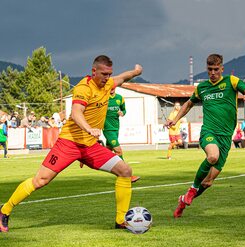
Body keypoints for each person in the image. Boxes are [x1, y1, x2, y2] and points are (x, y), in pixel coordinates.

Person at [0, 55, 143, 232]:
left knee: (125, 171)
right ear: (94, 71)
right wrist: (89, 128)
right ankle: (4, 210)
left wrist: (136, 72)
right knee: (41, 180)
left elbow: (123, 77)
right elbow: (76, 113)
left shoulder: (108, 84)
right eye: (104, 73)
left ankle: (121, 220)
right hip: (69, 143)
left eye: (109, 74)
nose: (107, 77)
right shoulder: (84, 88)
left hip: (90, 147)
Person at [166, 54, 245, 218]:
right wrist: (175, 120)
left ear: (222, 69)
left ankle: (183, 201)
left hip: (226, 137)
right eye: (210, 69)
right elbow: (189, 104)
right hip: (209, 132)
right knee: (212, 156)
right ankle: (192, 189)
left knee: (208, 182)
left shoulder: (231, 81)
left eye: (216, 69)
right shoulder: (202, 88)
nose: (212, 73)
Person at [103, 87, 140, 183]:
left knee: (107, 151)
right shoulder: (104, 98)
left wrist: (122, 113)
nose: (111, 89)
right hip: (107, 129)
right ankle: (127, 175)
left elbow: (124, 110)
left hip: (116, 128)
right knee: (118, 151)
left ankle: (85, 158)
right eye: (109, 88)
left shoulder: (120, 98)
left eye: (112, 88)